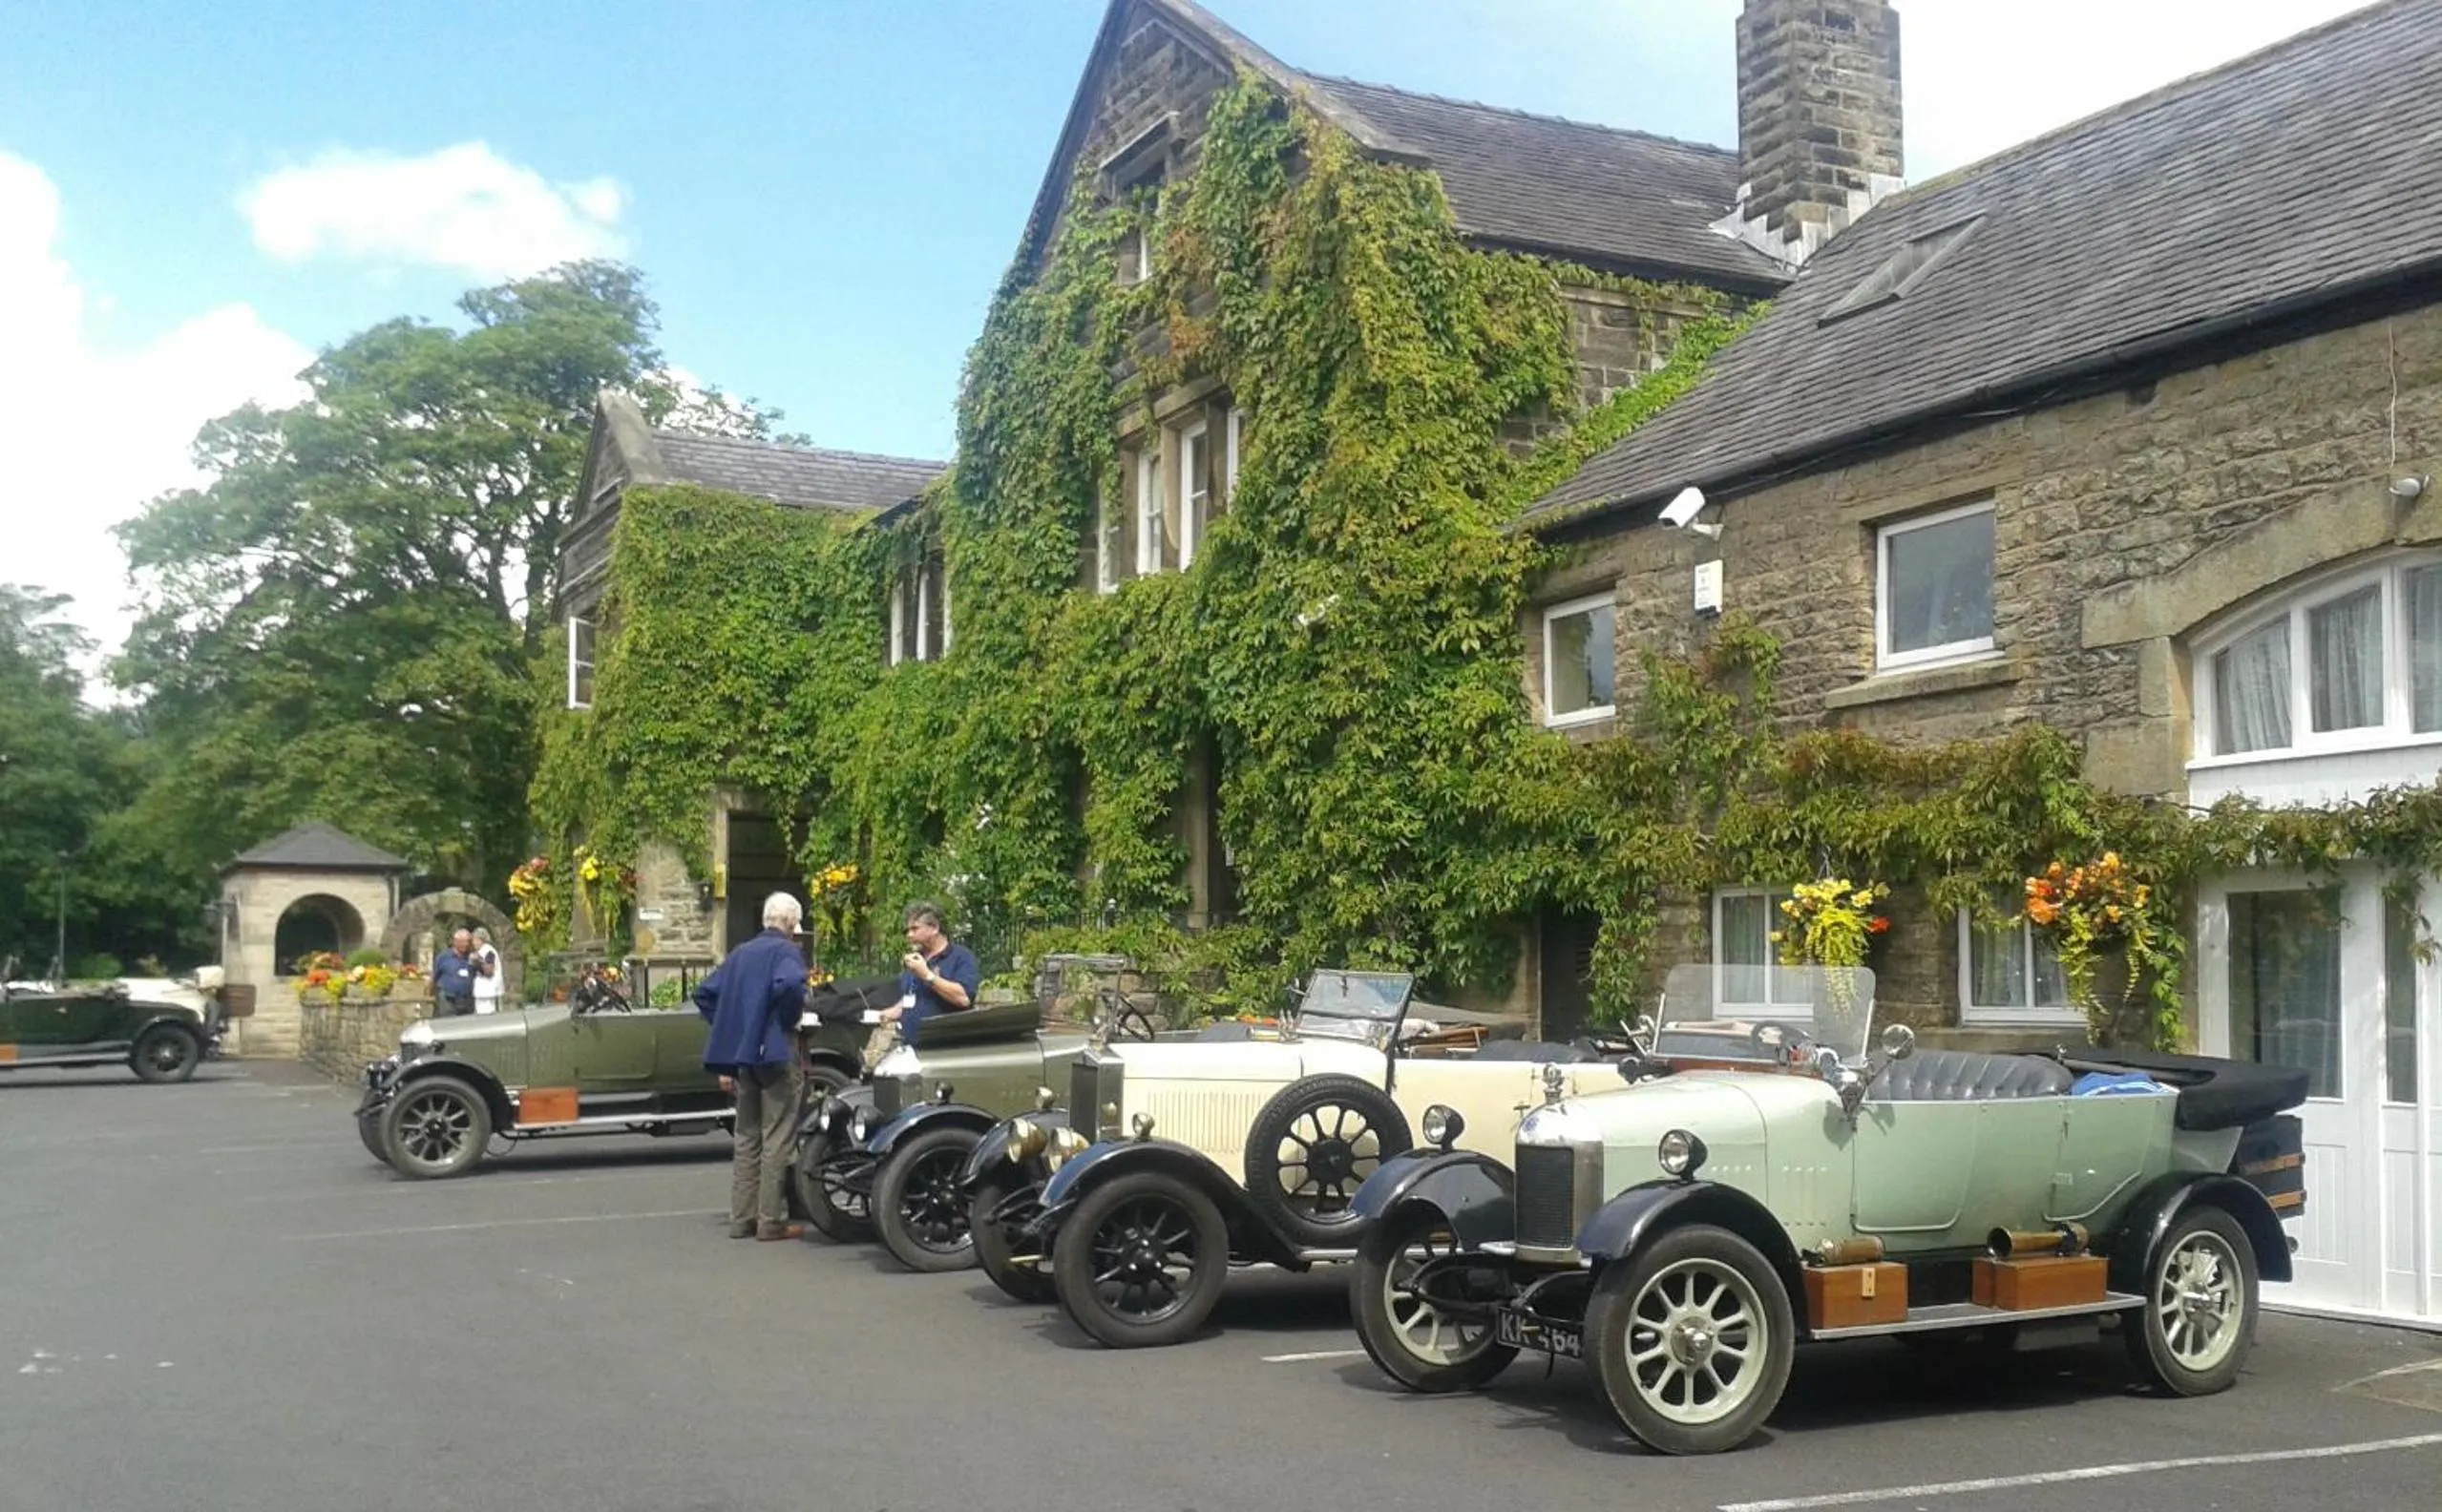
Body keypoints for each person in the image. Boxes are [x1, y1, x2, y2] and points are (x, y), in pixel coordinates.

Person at [693, 892, 812, 1241]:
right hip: (776, 1051)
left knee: (747, 1136)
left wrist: (734, 1024)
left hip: (745, 1055)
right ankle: (770, 1220)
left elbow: (705, 994)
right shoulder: (786, 952)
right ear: (790, 922)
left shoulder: (741, 953)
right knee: (777, 1135)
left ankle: (741, 1218)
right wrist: (787, 1019)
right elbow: (790, 984)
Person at [878, 901, 979, 1048]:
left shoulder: (960, 956)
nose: (909, 935)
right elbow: (911, 1000)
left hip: (946, 1049)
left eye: (915, 929)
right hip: (911, 1048)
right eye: (907, 930)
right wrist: (885, 1014)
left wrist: (927, 975)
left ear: (934, 928)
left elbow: (963, 998)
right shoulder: (916, 960)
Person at [432, 928, 478, 1017]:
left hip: (467, 1000)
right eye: (462, 941)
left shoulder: (472, 957)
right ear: (455, 941)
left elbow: (483, 972)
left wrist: (478, 961)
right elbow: (434, 977)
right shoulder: (443, 957)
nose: (466, 944)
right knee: (449, 1025)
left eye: (468, 941)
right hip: (448, 999)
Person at [470, 928, 504, 1015]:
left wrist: (477, 961)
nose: (473, 943)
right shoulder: (481, 951)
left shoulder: (488, 951)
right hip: (483, 994)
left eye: (474, 940)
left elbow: (489, 971)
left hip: (489, 994)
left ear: (479, 940)